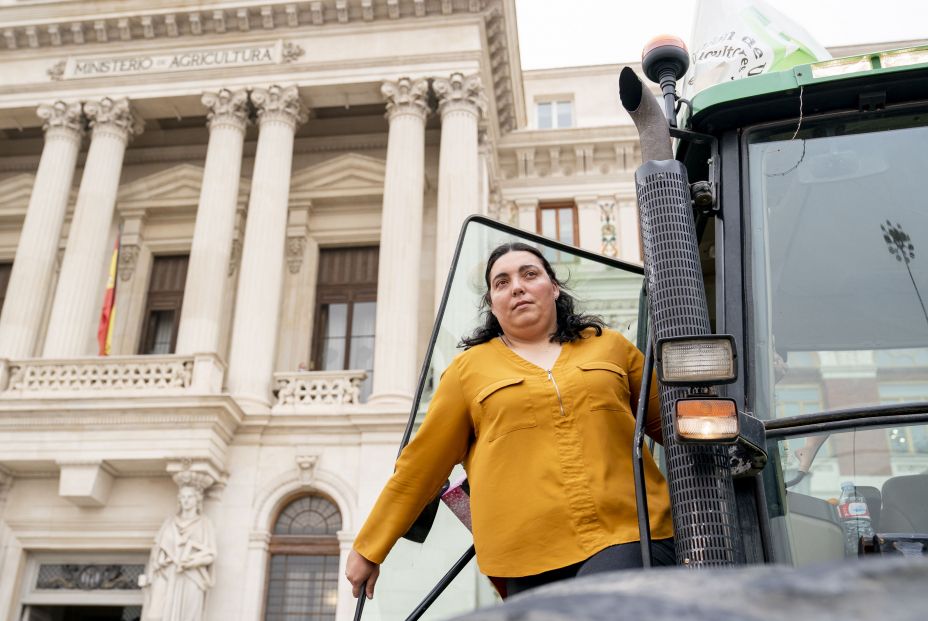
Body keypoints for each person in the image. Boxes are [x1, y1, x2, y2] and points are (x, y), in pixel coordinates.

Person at [346, 242, 675, 600]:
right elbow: (419, 468)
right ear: (492, 303)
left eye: (529, 274)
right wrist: (369, 548)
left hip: (628, 532)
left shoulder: (610, 347)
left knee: (599, 605)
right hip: (524, 559)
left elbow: (675, 426)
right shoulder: (467, 373)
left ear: (554, 287)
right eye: (501, 282)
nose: (516, 286)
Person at [141, 485, 217, 621]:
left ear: (197, 499)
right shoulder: (169, 523)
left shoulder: (205, 523)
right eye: (182, 497)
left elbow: (211, 555)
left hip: (192, 576)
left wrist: (193, 562)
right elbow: (157, 551)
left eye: (190, 497)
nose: (186, 500)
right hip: (168, 574)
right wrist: (160, 561)